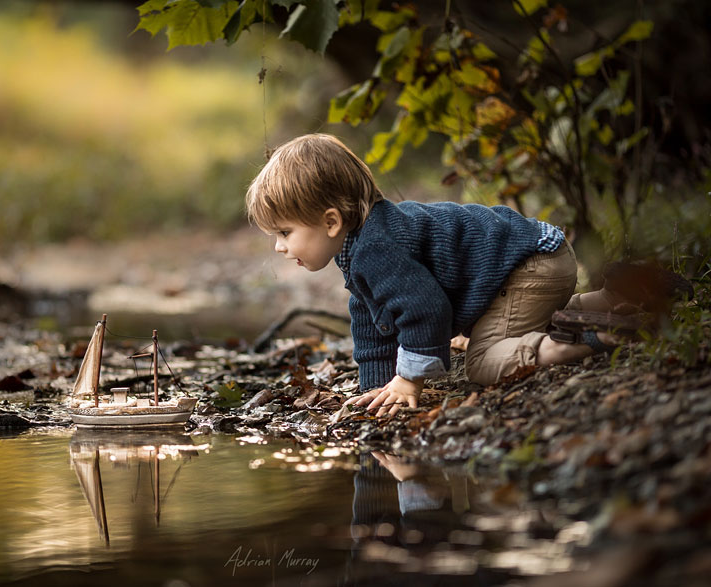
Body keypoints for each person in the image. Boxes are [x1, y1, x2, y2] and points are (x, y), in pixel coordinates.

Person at [245, 133, 687, 417]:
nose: (280, 247)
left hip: (528, 266)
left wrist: (410, 379)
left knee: (482, 360)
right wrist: (378, 387)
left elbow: (426, 309)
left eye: (285, 232)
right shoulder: (363, 246)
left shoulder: (376, 248)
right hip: (538, 256)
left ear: (330, 222)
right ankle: (623, 295)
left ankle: (592, 339)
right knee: (525, 319)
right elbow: (371, 323)